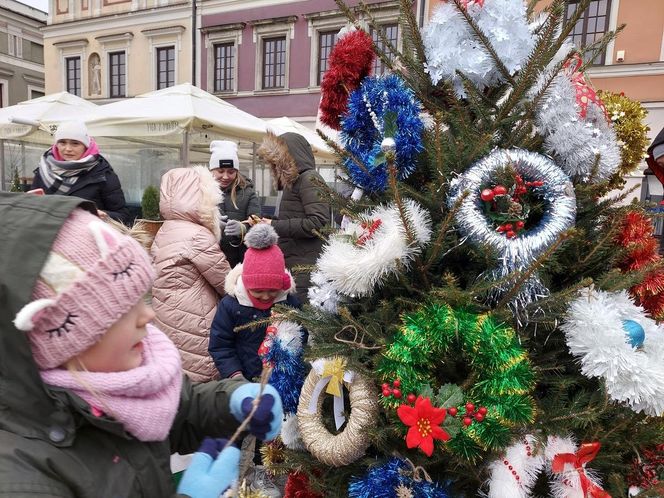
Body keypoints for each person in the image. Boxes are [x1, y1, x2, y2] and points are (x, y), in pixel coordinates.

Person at [0, 193, 283, 497]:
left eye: (141, 298)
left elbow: (180, 410)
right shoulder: (22, 478)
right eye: (123, 309)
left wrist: (231, 401)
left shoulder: (118, 387)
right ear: (59, 338)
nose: (147, 315)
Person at [209, 223, 301, 498]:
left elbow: (302, 335)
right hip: (242, 381)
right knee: (237, 433)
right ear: (245, 283)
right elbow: (220, 345)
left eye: (271, 292)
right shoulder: (231, 305)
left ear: (282, 285)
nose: (264, 297)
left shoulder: (288, 304)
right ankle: (231, 475)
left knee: (268, 434)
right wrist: (235, 376)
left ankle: (265, 474)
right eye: (257, 291)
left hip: (276, 383)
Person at [151, 166, 231, 382]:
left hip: (166, 313)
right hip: (196, 318)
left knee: (177, 373)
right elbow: (226, 283)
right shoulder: (197, 236)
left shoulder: (165, 229)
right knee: (200, 374)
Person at [256, 131, 331, 302]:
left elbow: (318, 222)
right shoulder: (296, 182)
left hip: (306, 266)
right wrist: (270, 221)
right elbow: (295, 217)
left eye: (277, 160)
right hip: (296, 263)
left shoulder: (309, 178)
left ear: (289, 157)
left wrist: (274, 226)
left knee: (303, 320)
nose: (274, 166)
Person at [31, 120, 129, 224]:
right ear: (56, 144)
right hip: (48, 236)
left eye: (75, 143)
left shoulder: (103, 173)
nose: (68, 149)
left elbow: (124, 216)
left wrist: (101, 215)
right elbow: (30, 208)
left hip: (86, 237)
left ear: (85, 146)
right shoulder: (43, 170)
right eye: (62, 142)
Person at [208, 140, 261, 267]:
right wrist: (211, 224)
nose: (225, 176)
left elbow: (257, 222)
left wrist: (244, 229)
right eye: (220, 171)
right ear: (212, 170)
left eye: (231, 172)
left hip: (239, 261)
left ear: (237, 171)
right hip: (209, 259)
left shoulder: (248, 193)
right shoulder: (201, 191)